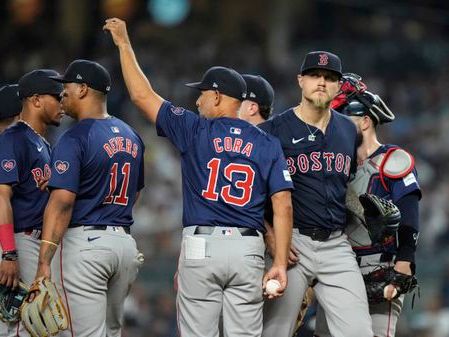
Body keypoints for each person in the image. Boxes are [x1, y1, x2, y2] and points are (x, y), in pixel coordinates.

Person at [104, 18, 294, 337]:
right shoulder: (267, 142)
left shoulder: (195, 129)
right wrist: (278, 260)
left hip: (201, 246)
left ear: (218, 97)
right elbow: (283, 205)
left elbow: (141, 96)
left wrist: (124, 44)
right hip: (247, 249)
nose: (197, 100)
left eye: (202, 94)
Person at [259, 51, 373, 337]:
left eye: (330, 77)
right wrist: (271, 236)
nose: (322, 82)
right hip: (292, 243)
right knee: (274, 331)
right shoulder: (272, 131)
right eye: (315, 75)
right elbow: (253, 194)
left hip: (336, 244)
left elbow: (345, 186)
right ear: (301, 80)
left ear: (338, 86)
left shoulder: (349, 130)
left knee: (358, 330)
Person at [28, 59, 145, 337]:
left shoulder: (75, 136)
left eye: (66, 87)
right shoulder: (132, 135)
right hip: (124, 245)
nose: (62, 95)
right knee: (112, 332)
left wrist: (44, 262)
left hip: (86, 246)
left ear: (82, 89)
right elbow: (135, 192)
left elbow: (63, 202)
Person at [314, 79, 421, 337]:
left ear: (365, 121)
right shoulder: (337, 164)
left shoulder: (392, 160)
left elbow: (409, 212)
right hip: (337, 263)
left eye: (343, 119)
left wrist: (405, 259)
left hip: (379, 264)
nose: (336, 126)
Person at [0, 70, 63, 336]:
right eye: (57, 97)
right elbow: (1, 196)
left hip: (37, 243)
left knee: (39, 327)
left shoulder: (43, 144)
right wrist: (9, 252)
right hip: (19, 240)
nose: (63, 102)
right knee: (20, 327)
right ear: (36, 100)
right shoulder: (13, 138)